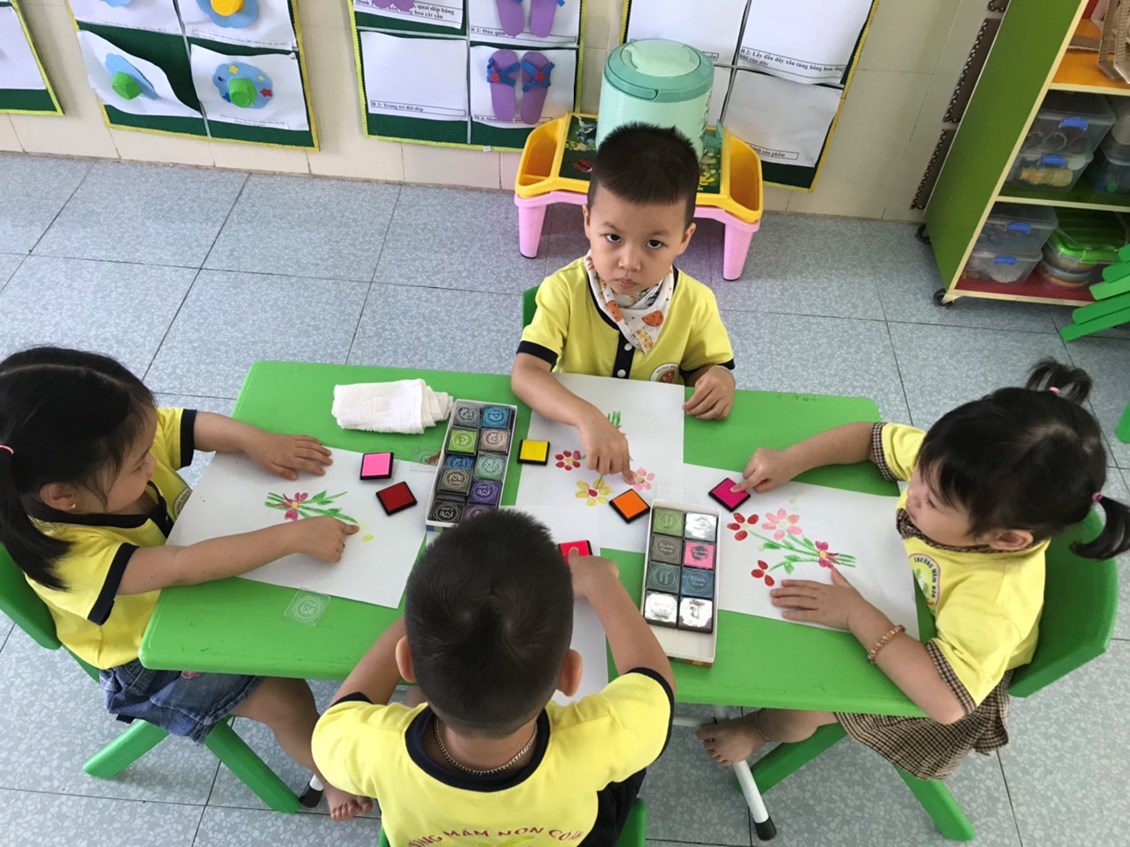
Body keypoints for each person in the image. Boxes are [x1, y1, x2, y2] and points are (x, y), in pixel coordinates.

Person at [697, 359, 1130, 780]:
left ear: (1006, 539)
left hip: (946, 671)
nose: (914, 490)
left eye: (932, 501)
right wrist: (794, 459)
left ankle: (759, 729)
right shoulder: (955, 470)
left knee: (801, 703)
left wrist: (855, 614)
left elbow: (946, 702)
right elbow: (869, 438)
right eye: (920, 473)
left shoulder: (993, 602)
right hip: (900, 589)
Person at [0, 346, 371, 820]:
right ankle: (330, 773)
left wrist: (255, 440)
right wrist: (289, 537)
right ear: (62, 496)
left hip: (197, 594)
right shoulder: (70, 555)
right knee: (287, 698)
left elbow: (184, 426)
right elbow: (181, 565)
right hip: (151, 658)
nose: (152, 459)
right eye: (139, 462)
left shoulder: (113, 449)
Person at [312, 510, 675, 846]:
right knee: (636, 756)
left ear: (405, 663)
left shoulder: (372, 747)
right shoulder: (598, 737)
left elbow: (340, 715)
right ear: (569, 675)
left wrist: (422, 625)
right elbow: (654, 682)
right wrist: (601, 583)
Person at [512, 123, 736, 480]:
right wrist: (587, 417)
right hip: (573, 437)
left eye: (654, 244)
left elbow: (707, 368)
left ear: (684, 238)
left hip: (657, 444)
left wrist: (720, 380)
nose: (629, 262)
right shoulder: (563, 290)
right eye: (613, 237)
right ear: (588, 221)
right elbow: (526, 375)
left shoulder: (696, 302)